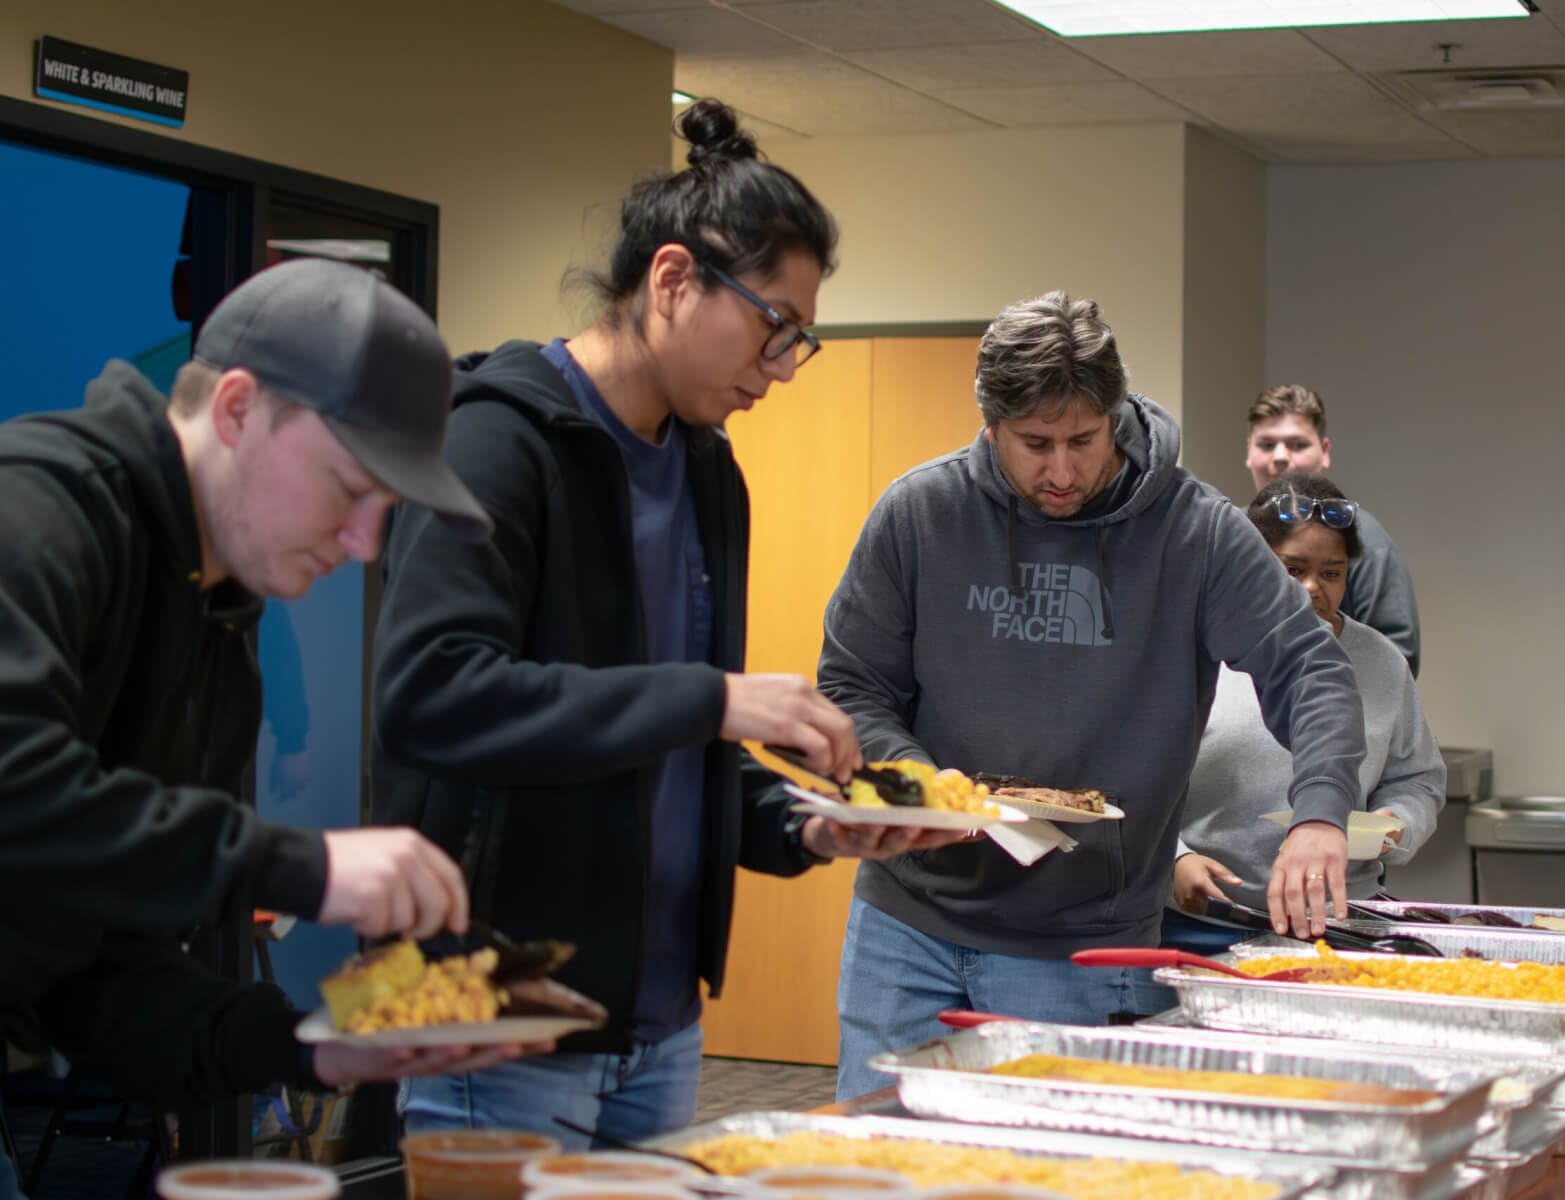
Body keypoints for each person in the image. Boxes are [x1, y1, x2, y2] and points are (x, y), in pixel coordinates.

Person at [369, 99, 954, 1148]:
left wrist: (799, 822)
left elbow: (657, 739)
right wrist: (718, 698)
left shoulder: (706, 471)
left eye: (799, 344)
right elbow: (434, 695)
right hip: (495, 1010)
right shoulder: (500, 443)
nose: (779, 369)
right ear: (674, 279)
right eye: (774, 328)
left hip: (661, 1016)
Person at [0, 258, 542, 1189]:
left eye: (389, 507)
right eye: (348, 485)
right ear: (239, 409)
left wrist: (316, 1045)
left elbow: (103, 986)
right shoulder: (35, 508)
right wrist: (308, 865)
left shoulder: (219, 625)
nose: (366, 542)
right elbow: (18, 795)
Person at [818, 291, 1369, 1100]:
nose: (1063, 470)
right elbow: (853, 685)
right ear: (989, 421)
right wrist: (921, 784)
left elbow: (1310, 669)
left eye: (1083, 439)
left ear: (1116, 415)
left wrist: (1320, 814)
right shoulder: (920, 514)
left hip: (1080, 946)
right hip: (907, 926)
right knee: (879, 1169)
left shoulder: (1196, 533)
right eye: (1035, 444)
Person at [1166, 472, 1446, 955]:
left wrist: (1396, 821)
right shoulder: (1195, 650)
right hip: (1204, 923)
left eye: (1331, 572)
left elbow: (1417, 779)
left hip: (1339, 925)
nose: (1312, 588)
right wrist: (1173, 861)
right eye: (1291, 569)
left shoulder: (1381, 662)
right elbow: (1140, 780)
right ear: (1249, 566)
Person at [1246, 385, 1422, 676]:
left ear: (1324, 452)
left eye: (1298, 444)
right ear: (1249, 451)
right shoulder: (1228, 535)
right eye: (1266, 445)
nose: (1279, 456)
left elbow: (1393, 662)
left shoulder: (1366, 538)